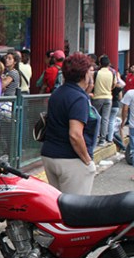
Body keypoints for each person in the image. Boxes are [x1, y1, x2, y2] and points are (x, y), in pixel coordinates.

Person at [40, 52, 98, 195]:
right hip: (71, 159)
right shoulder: (79, 98)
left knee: (58, 208)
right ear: (84, 74)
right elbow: (75, 134)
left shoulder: (58, 93)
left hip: (50, 155)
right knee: (76, 210)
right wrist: (87, 160)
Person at [92, 55, 115, 146]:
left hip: (97, 97)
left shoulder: (96, 73)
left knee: (95, 118)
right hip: (108, 97)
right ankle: (102, 139)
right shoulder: (112, 73)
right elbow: (113, 86)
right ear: (108, 64)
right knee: (105, 119)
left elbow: (92, 84)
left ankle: (93, 136)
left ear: (100, 64)